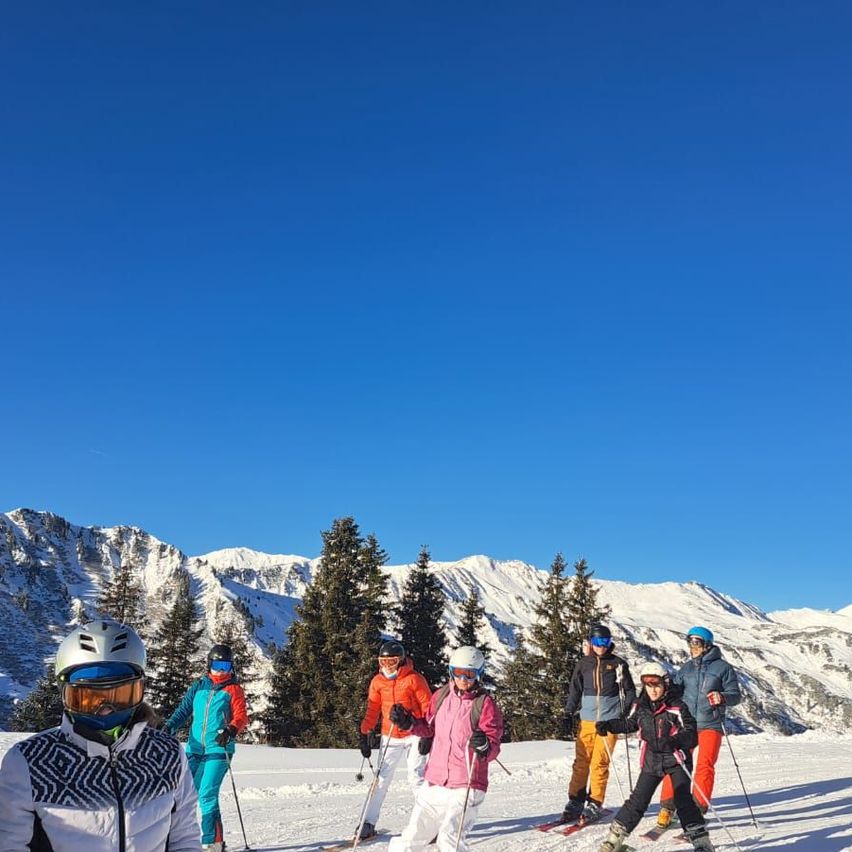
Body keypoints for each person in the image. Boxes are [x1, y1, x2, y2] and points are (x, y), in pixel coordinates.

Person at [0, 618, 201, 851]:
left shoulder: (166, 754)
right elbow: (9, 843)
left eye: (121, 695)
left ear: (141, 690)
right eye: (87, 699)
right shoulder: (32, 762)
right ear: (64, 694)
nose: (105, 709)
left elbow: (184, 837)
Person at [386, 646, 503, 852]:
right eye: (458, 673)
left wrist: (484, 746)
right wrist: (408, 723)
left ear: (479, 674)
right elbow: (428, 728)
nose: (463, 679)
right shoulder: (441, 696)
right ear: (451, 672)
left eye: (469, 674)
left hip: (467, 783)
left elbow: (493, 746)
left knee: (449, 839)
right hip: (436, 781)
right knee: (411, 837)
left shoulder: (484, 704)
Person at [595, 662, 714, 852]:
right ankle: (613, 840)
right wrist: (609, 725)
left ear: (665, 683)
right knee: (638, 801)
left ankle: (702, 843)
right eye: (647, 684)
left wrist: (673, 741)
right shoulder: (640, 705)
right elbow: (630, 724)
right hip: (652, 759)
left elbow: (691, 734)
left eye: (656, 684)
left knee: (683, 801)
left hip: (677, 760)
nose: (652, 689)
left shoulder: (677, 706)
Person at [165, 644, 249, 852]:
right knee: (182, 794)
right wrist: (169, 727)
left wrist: (230, 730)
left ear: (231, 667)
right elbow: (183, 710)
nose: (221, 670)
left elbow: (241, 716)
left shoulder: (233, 689)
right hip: (194, 749)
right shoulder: (199, 686)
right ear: (209, 664)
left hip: (219, 749)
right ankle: (176, 840)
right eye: (217, 665)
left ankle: (213, 842)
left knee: (206, 794)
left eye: (226, 665)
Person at [655, 626, 741, 829]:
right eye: (690, 642)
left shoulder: (723, 668)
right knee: (676, 764)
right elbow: (675, 691)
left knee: (705, 765)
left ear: (707, 644)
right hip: (688, 724)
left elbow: (735, 695)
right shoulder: (686, 668)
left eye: (696, 642)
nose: (692, 647)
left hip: (711, 723)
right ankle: (667, 807)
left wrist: (723, 697)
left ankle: (697, 811)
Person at [357, 640, 433, 839]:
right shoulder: (377, 682)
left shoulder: (414, 679)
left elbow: (428, 709)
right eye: (383, 661)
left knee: (416, 777)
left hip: (414, 733)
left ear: (400, 661)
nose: (386, 666)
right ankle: (368, 822)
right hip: (389, 734)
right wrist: (364, 732)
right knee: (380, 779)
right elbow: (372, 709)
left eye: (391, 661)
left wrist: (428, 734)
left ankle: (429, 823)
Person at [562, 624, 636, 824]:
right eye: (597, 642)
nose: (601, 646)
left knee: (599, 762)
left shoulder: (618, 664)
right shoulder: (584, 664)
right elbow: (575, 689)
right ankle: (575, 800)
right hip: (587, 720)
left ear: (610, 642)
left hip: (608, 722)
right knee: (581, 762)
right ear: (591, 642)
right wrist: (569, 711)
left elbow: (630, 692)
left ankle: (595, 801)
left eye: (605, 642)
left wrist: (622, 715)